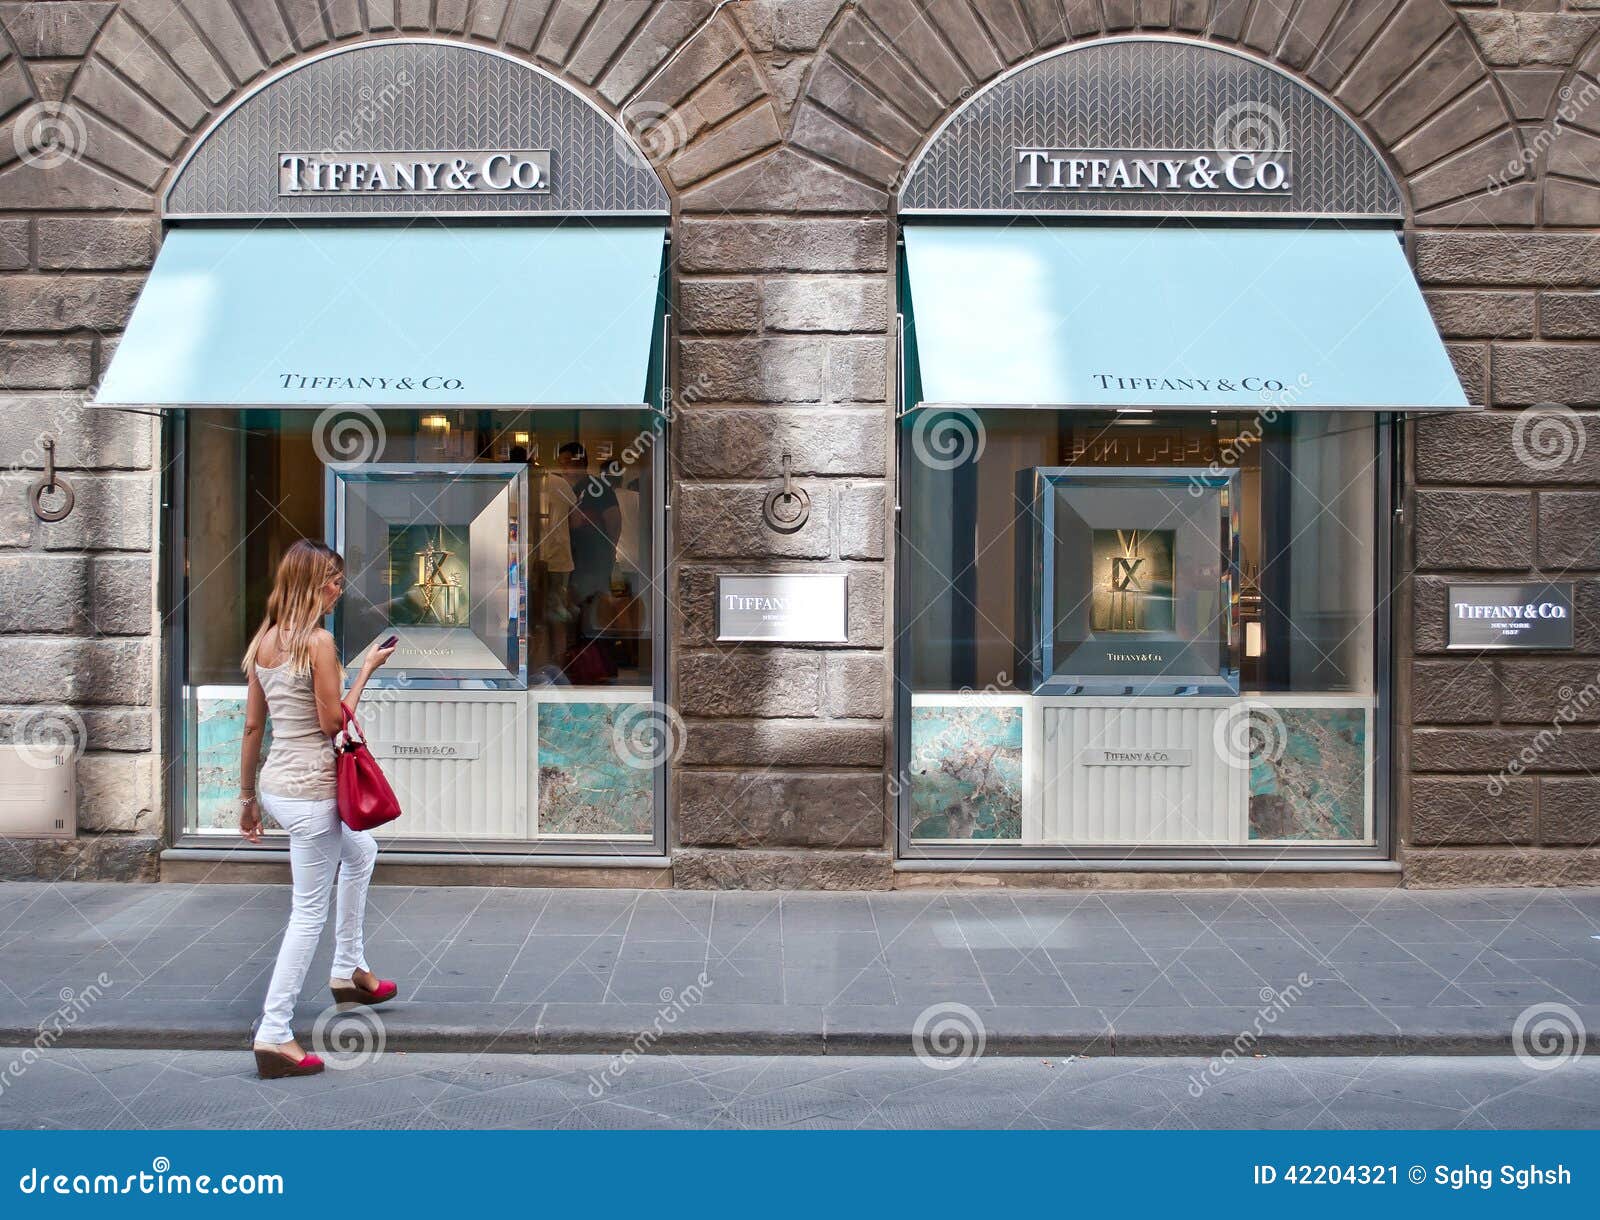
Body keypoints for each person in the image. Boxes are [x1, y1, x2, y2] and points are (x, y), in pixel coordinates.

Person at [238, 539, 399, 1080]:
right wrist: (366, 671)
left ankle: (348, 968)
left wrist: (246, 799)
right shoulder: (318, 643)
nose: (338, 588)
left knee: (362, 852)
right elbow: (335, 725)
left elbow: (253, 726)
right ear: (310, 583)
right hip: (311, 791)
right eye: (332, 580)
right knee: (307, 912)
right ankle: (274, 1033)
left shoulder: (263, 642)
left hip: (280, 787)